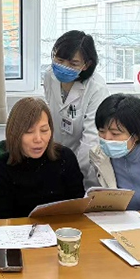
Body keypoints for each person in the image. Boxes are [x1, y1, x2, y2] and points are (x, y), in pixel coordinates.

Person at [0, 97, 85, 219]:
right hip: (20, 230)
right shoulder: (0, 168)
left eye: (44, 130)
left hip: (63, 228)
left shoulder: (65, 157)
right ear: (14, 133)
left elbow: (79, 207)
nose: (38, 139)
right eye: (29, 132)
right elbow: (4, 219)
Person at [43, 30, 109, 189]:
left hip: (84, 162)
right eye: (59, 60)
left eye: (73, 64)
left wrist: (74, 171)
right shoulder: (49, 76)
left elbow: (91, 139)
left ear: (86, 65)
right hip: (55, 152)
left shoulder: (96, 88)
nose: (64, 67)